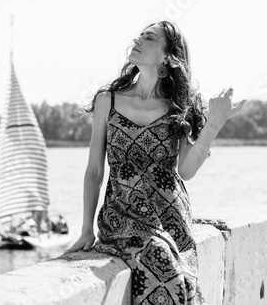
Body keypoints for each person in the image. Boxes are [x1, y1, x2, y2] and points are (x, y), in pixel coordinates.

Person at [63, 20, 247, 304]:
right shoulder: (107, 100)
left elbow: (185, 170)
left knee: (178, 270)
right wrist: (86, 229)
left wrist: (215, 123)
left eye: (148, 37)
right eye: (140, 35)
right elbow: (95, 171)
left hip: (169, 213)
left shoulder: (181, 105)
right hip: (122, 211)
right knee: (161, 256)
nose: (137, 39)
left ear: (167, 57)